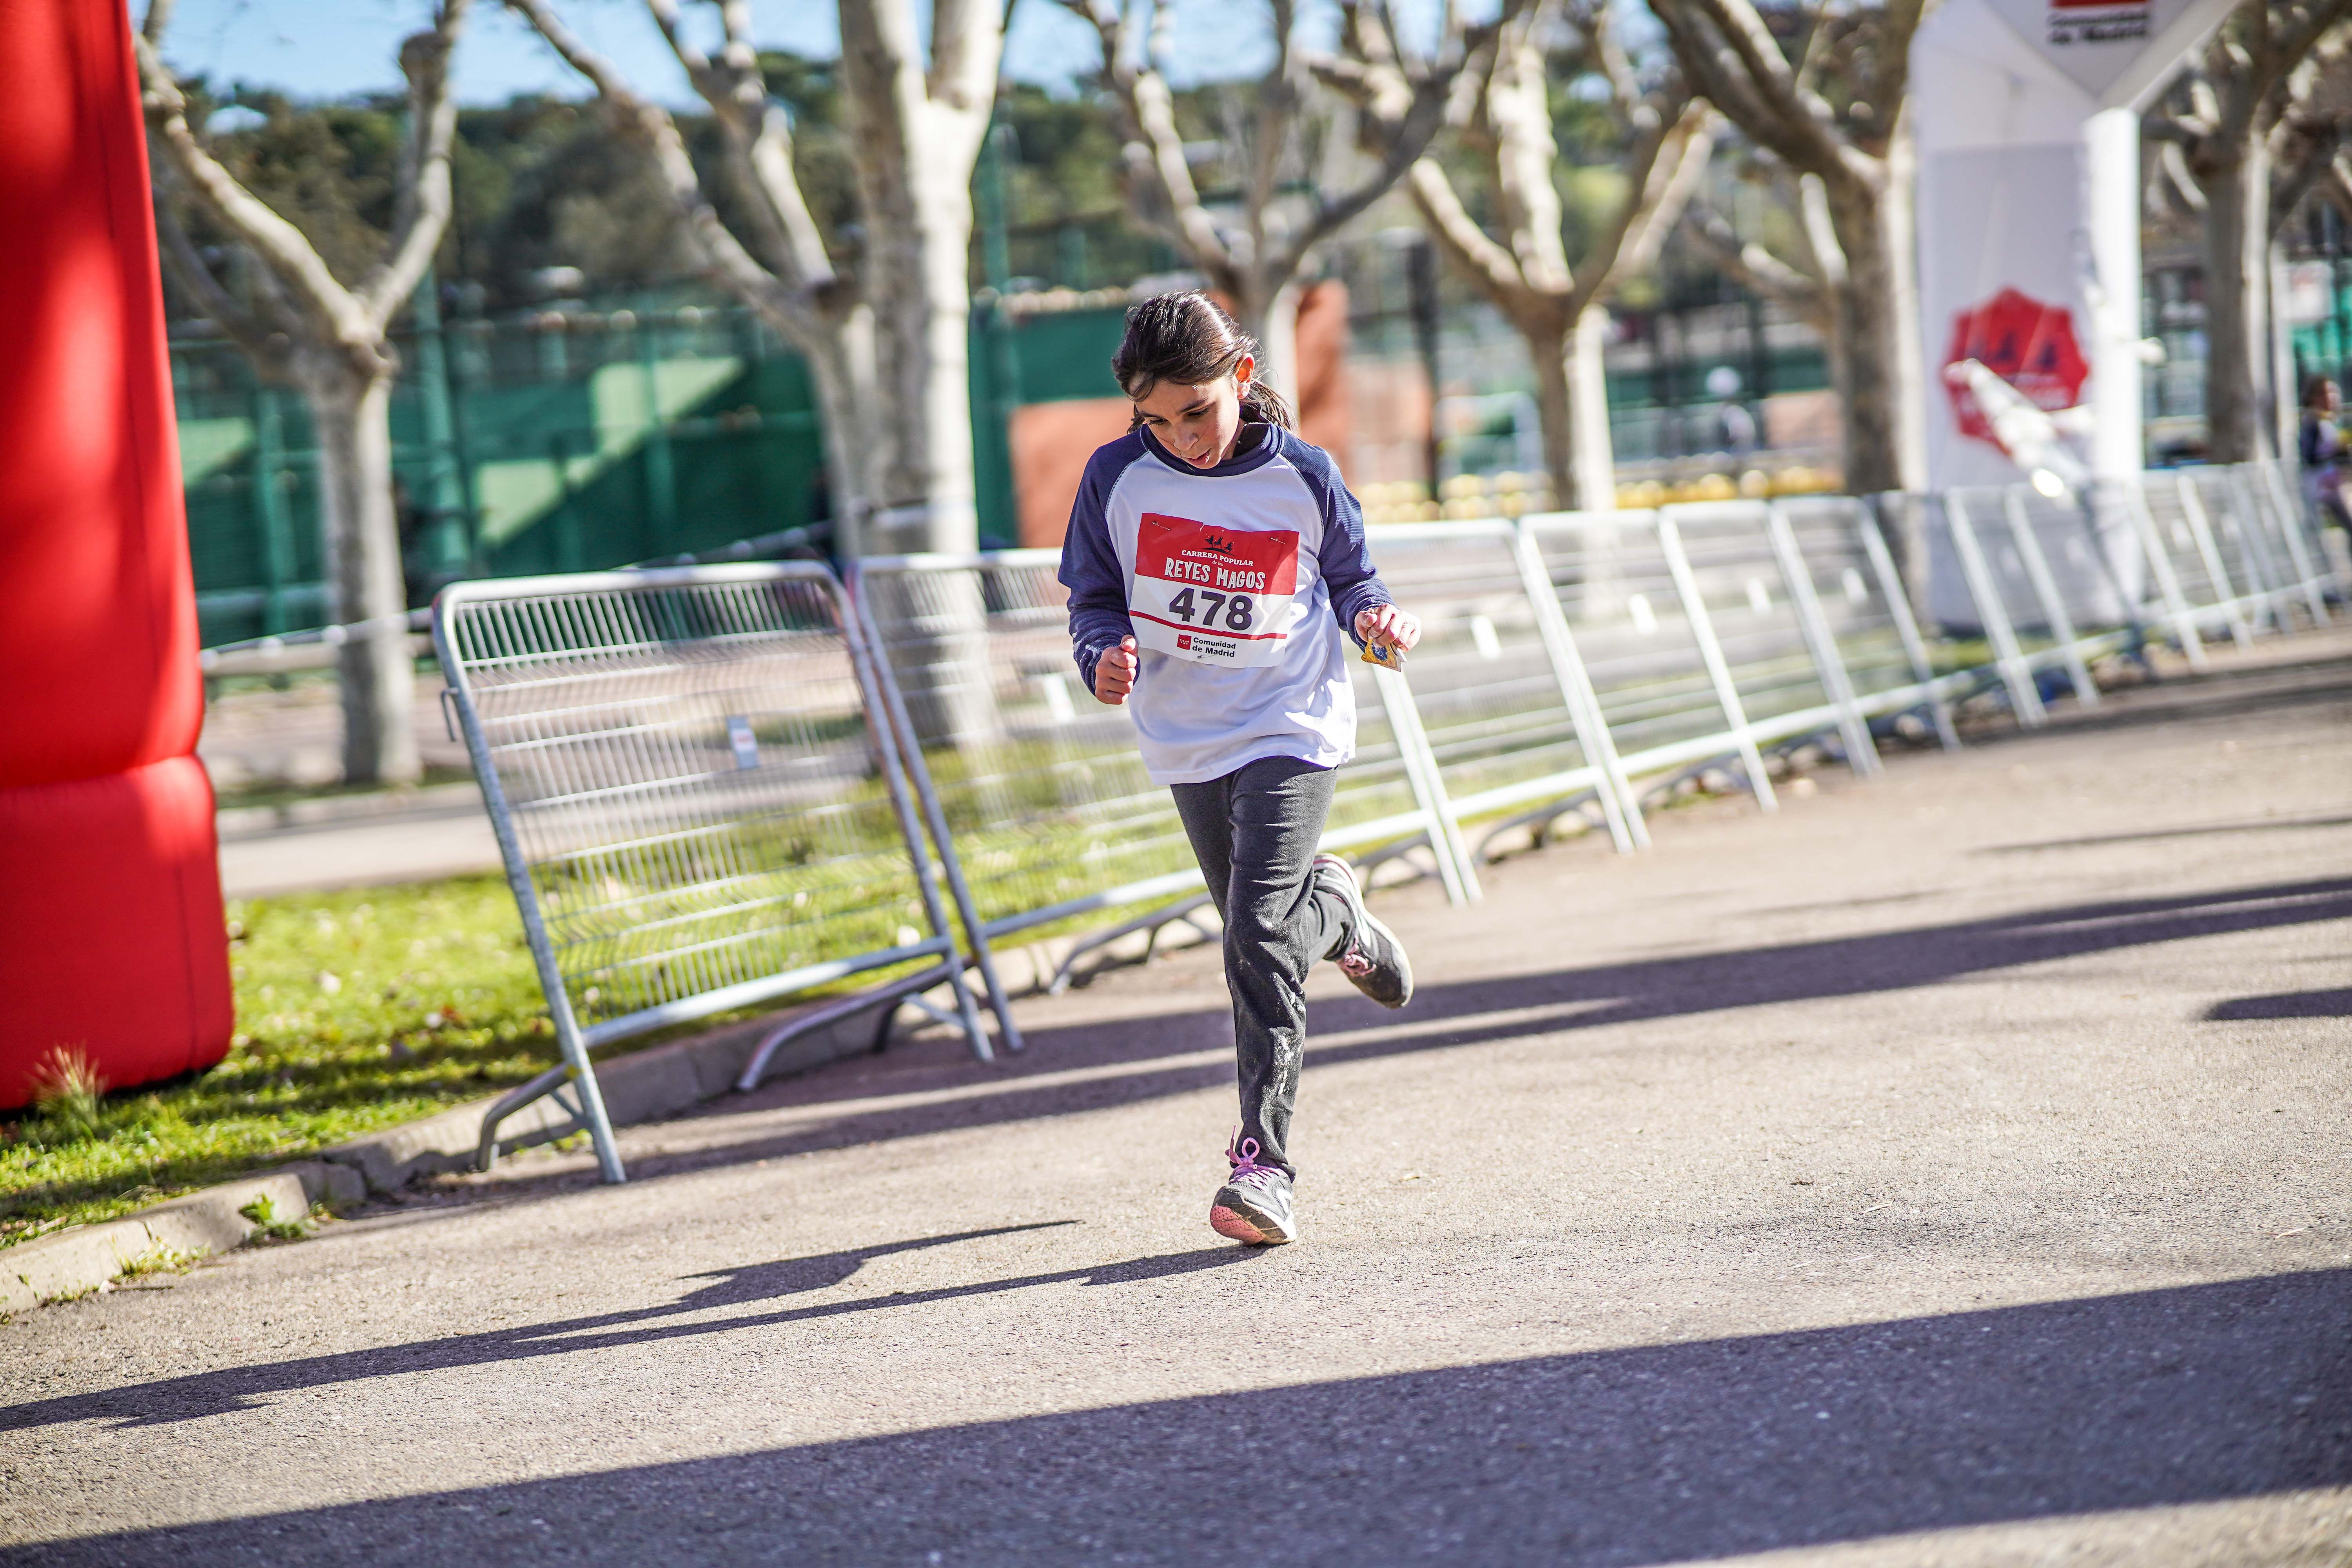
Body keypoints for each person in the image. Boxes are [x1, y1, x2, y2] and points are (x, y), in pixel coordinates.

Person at [1058, 291, 1420, 1248]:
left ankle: (1264, 1168)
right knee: (1253, 932)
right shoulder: (1114, 477)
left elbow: (1354, 581)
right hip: (1186, 734)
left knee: (1254, 934)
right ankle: (1337, 911)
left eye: (1199, 411)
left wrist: (1376, 621)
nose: (1182, 437)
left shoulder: (1303, 473)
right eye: (1158, 420)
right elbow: (1094, 596)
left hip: (1290, 723)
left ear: (1242, 381)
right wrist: (1101, 654)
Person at [2298, 377, 2350, 532]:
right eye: (2325, 393)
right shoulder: (2313, 423)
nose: (2332, 398)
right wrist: (2338, 454)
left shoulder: (2328, 422)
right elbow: (2311, 457)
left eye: (2334, 392)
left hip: (2332, 483)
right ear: (2313, 398)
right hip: (2322, 485)